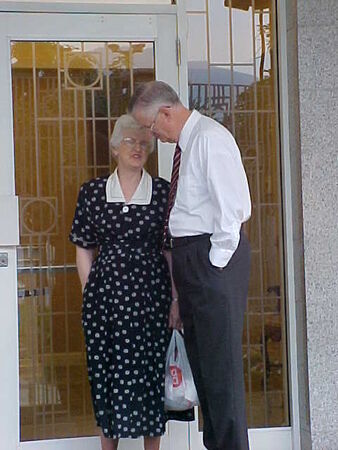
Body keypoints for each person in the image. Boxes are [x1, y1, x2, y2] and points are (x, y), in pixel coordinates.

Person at [128, 81, 252, 450]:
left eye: (151, 127)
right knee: (207, 376)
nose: (154, 136)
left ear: (166, 113)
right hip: (193, 262)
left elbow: (233, 210)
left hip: (211, 260)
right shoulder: (189, 144)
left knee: (222, 376)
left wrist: (211, 266)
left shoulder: (210, 139)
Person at [69, 114, 192, 450]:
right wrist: (89, 294)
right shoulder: (93, 192)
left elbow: (170, 252)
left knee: (151, 379)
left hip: (151, 300)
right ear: (114, 148)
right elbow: (83, 247)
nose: (137, 148)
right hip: (104, 303)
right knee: (107, 378)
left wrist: (175, 300)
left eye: (143, 143)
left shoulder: (163, 192)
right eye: (129, 141)